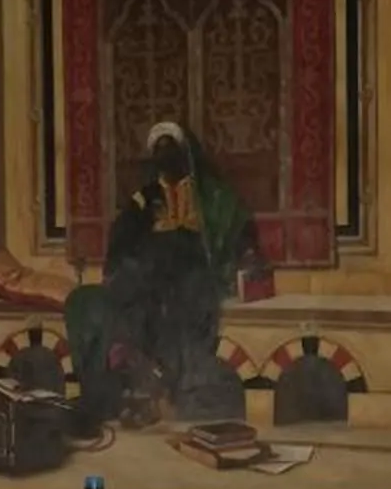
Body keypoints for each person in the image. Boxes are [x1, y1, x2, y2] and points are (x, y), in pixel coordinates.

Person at [63, 120, 272, 433]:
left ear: (184, 152)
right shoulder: (145, 196)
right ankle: (133, 392)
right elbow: (124, 237)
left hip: (193, 268)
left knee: (184, 304)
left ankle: (174, 392)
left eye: (170, 149)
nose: (165, 156)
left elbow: (235, 226)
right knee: (125, 304)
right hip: (151, 271)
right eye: (158, 150)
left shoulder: (209, 194)